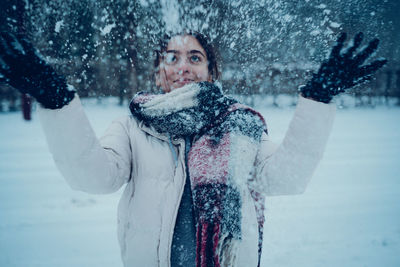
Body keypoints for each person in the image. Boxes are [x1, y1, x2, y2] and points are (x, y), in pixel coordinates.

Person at [0, 30, 386, 267]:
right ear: (158, 73)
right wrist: (57, 101)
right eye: (172, 57)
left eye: (195, 57)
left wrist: (318, 98)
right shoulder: (132, 127)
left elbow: (287, 176)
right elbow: (93, 176)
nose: (182, 64)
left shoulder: (241, 126)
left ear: (211, 72)